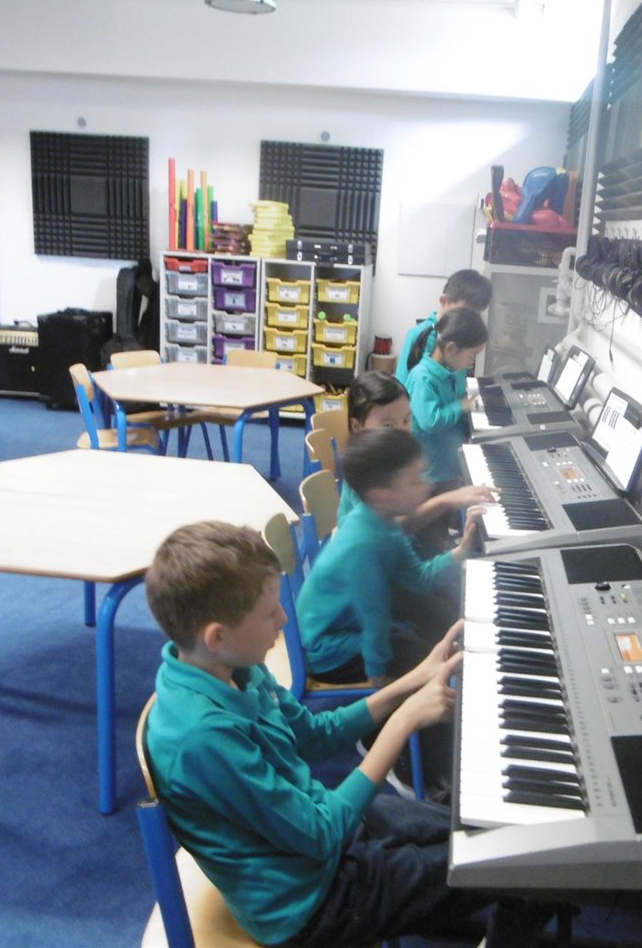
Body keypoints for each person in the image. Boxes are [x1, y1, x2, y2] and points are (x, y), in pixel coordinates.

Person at [143, 520, 552, 947]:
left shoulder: (231, 665)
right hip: (311, 903)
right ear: (218, 636)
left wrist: (413, 679)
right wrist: (403, 721)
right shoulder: (201, 738)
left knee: (493, 832)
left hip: (319, 837)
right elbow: (321, 835)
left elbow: (316, 735)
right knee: (520, 862)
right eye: (269, 612)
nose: (285, 618)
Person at [298, 427, 479, 687]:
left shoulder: (384, 523)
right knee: (431, 662)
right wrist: (378, 674)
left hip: (350, 629)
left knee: (432, 646)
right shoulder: (365, 545)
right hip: (327, 650)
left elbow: (419, 579)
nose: (428, 485)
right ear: (382, 496)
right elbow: (374, 616)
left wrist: (460, 552)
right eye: (416, 480)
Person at [337, 370, 497, 530]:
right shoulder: (363, 470)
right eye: (388, 425)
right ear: (357, 427)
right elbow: (391, 529)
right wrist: (445, 500)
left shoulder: (398, 454)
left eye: (406, 420)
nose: (403, 431)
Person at [405, 307, 488, 491]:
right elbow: (431, 422)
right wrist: (461, 406)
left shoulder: (447, 373)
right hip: (431, 475)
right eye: (471, 356)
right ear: (451, 349)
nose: (471, 363)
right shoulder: (422, 377)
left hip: (447, 468)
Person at [395, 267, 492, 387]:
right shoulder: (420, 334)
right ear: (444, 301)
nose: (469, 320)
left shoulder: (462, 337)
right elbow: (401, 386)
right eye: (464, 312)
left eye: (475, 315)